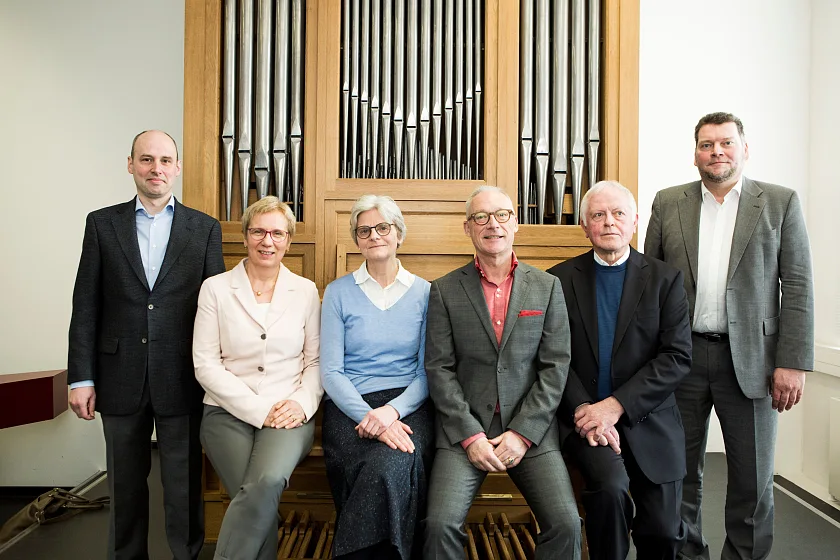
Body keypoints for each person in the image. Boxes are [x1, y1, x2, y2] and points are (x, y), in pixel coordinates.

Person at [645, 112, 814, 560]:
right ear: (695, 153)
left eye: (725, 143)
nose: (716, 152)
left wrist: (792, 362)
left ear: (744, 148)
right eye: (706, 145)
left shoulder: (779, 202)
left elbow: (797, 285)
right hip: (679, 358)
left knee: (752, 480)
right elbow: (649, 285)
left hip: (756, 360)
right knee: (677, 474)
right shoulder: (668, 203)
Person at [67, 130, 225, 559]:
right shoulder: (101, 224)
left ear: (178, 167)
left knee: (184, 488)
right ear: (131, 164)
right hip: (118, 376)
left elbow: (217, 309)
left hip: (182, 377)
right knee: (124, 488)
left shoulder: (204, 228)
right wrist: (80, 377)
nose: (157, 168)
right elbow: (86, 305)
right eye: (147, 159)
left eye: (165, 160)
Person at [423, 186, 581, 559]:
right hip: (465, 431)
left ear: (516, 224)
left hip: (531, 431)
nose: (492, 224)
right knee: (439, 525)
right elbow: (439, 368)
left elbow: (556, 366)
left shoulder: (547, 286)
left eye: (502, 215)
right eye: (481, 217)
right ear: (467, 228)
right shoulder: (444, 290)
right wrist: (470, 436)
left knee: (567, 524)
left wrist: (523, 434)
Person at [546, 180, 691, 560]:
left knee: (662, 531)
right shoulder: (556, 281)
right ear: (584, 226)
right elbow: (551, 357)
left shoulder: (666, 279)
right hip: (586, 422)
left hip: (651, 420)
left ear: (635, 222)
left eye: (618, 213)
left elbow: (676, 356)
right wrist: (585, 411)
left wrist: (616, 406)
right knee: (608, 498)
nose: (609, 222)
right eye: (598, 214)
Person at [192, 196, 322, 560]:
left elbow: (315, 362)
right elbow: (204, 363)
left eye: (277, 233)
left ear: (289, 240)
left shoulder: (306, 291)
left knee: (263, 483)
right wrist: (257, 409)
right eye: (259, 231)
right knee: (253, 493)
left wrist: (300, 404)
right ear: (246, 236)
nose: (268, 241)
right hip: (224, 412)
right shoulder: (215, 288)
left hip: (289, 414)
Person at [320, 195, 434, 560]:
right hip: (350, 405)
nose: (374, 236)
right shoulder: (337, 293)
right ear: (356, 240)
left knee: (390, 465)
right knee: (376, 466)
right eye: (364, 230)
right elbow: (332, 372)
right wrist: (369, 417)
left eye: (383, 228)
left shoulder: (426, 294)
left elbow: (426, 372)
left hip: (408, 404)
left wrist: (391, 413)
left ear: (398, 233)